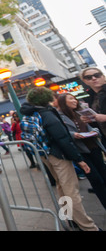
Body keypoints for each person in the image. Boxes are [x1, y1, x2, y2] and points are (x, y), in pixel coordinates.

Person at [20, 87, 100, 231]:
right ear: (47, 98)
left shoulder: (32, 112)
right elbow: (63, 139)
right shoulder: (47, 114)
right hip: (58, 155)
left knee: (62, 187)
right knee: (71, 190)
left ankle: (70, 219)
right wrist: (78, 159)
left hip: (46, 155)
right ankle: (88, 226)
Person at [57, 93, 106, 209]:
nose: (74, 101)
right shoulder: (60, 116)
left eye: (74, 98)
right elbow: (61, 133)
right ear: (63, 102)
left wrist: (94, 131)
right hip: (81, 152)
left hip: (94, 147)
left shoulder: (81, 112)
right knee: (95, 179)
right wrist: (74, 135)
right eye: (71, 99)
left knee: (104, 175)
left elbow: (91, 127)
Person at [80, 68, 106, 146]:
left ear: (103, 77)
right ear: (85, 81)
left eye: (97, 75)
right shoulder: (90, 97)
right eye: (89, 77)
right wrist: (90, 119)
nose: (94, 78)